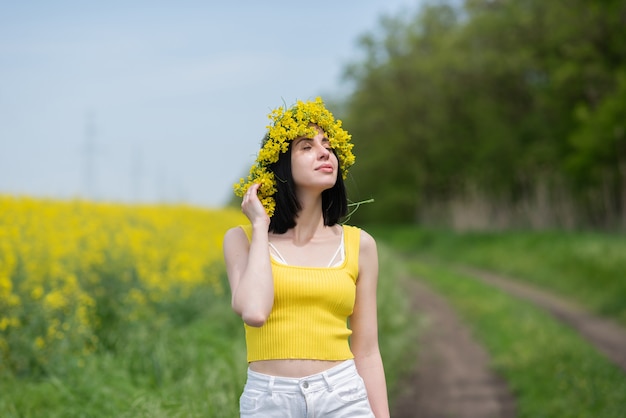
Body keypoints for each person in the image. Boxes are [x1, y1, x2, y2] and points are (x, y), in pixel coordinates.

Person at [223, 97, 390, 417]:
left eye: (328, 144)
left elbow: (367, 352)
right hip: (269, 401)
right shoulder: (241, 240)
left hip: (343, 395)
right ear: (281, 165)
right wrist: (260, 226)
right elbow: (255, 312)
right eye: (306, 146)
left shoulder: (360, 245)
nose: (324, 152)